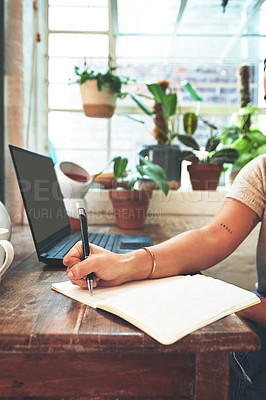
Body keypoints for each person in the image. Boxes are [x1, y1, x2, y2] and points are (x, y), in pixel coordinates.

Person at [64, 153, 266, 400]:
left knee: (217, 368)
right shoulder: (262, 169)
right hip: (257, 312)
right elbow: (214, 236)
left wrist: (243, 304)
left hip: (258, 313)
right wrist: (124, 264)